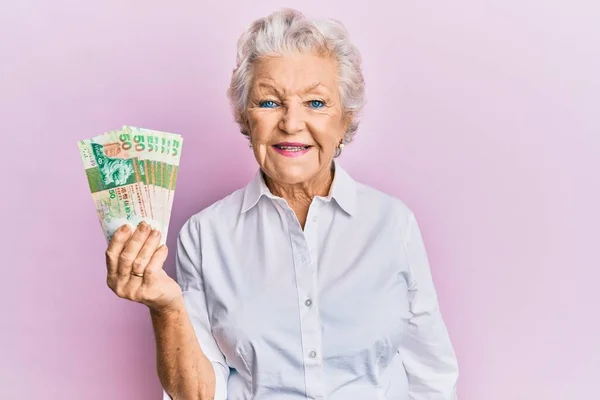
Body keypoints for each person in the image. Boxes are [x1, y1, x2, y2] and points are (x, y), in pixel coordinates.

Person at [104, 8, 459, 400]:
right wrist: (166, 307)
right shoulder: (204, 236)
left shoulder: (393, 224)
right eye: (269, 102)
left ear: (346, 121)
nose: (291, 123)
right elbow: (200, 396)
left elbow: (433, 379)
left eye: (316, 103)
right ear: (245, 117)